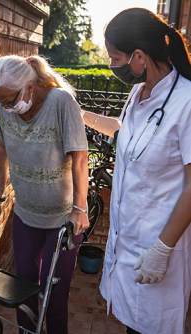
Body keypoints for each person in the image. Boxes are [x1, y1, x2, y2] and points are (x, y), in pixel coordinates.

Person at [82, 7, 191, 334]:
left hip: (158, 247)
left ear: (139, 57)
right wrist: (79, 113)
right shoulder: (138, 93)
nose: (112, 65)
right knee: (133, 327)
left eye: (115, 58)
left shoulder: (186, 102)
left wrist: (162, 249)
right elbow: (123, 130)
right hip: (128, 244)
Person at [0, 54, 89, 334]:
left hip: (63, 220)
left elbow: (79, 157)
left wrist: (80, 208)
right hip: (25, 212)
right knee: (24, 287)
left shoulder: (60, 102)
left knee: (54, 293)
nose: (6, 108)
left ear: (29, 87)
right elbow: (2, 144)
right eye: (0, 102)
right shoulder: (5, 105)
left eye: (9, 101)